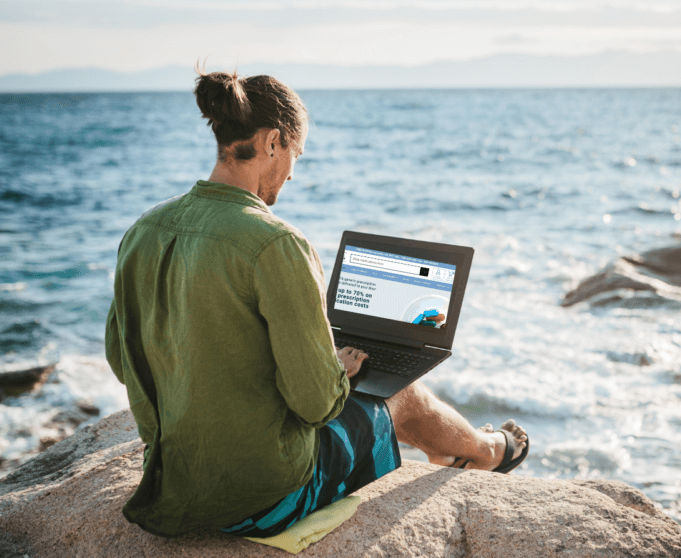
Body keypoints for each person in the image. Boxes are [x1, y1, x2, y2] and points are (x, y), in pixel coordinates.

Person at [104, 68, 529, 539]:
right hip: (260, 500)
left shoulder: (144, 229)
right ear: (271, 142)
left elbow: (121, 361)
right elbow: (315, 406)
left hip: (169, 487)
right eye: (295, 155)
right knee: (398, 392)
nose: (291, 172)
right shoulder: (275, 243)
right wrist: (334, 369)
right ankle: (488, 452)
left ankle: (451, 452)